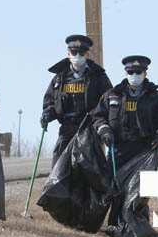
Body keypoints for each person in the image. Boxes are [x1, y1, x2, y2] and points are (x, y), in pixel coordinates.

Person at [91, 55, 158, 237]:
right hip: (118, 151)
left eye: (138, 72)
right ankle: (115, 228)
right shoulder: (112, 95)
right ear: (126, 73)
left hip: (144, 152)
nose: (134, 75)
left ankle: (137, 231)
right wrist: (104, 131)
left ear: (145, 73)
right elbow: (98, 116)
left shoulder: (156, 97)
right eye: (131, 72)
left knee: (139, 194)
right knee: (117, 191)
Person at [40, 35, 112, 167]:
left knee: (93, 172)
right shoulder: (59, 78)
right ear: (68, 53)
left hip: (89, 131)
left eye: (81, 53)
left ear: (87, 54)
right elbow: (50, 101)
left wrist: (105, 127)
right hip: (67, 130)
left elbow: (109, 103)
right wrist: (47, 114)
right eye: (74, 52)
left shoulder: (98, 77)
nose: (77, 56)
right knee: (58, 169)